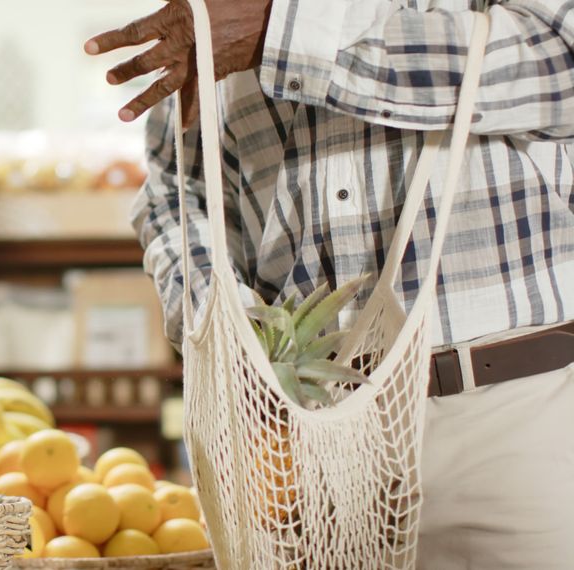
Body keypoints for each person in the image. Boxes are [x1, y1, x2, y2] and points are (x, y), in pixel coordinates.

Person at [86, 0, 574, 567]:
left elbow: (560, 56)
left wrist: (280, 32)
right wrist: (220, 317)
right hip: (302, 448)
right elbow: (175, 189)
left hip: (512, 422)